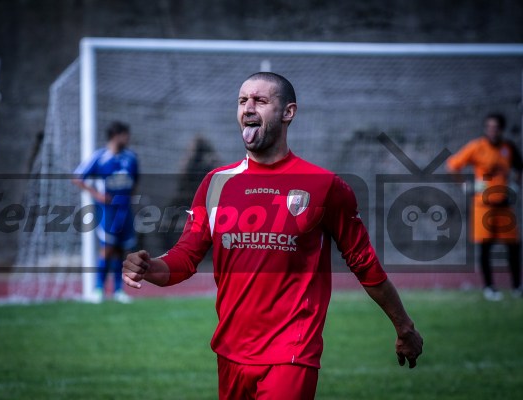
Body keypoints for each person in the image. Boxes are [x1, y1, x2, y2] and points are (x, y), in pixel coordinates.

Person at [123, 72, 423, 399]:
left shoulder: (325, 186)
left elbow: (364, 264)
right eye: (242, 101)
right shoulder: (215, 183)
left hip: (292, 353)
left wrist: (403, 325)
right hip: (230, 352)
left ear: (288, 112)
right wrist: (150, 267)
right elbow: (186, 257)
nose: (248, 108)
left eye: (260, 101)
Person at [447, 113, 523, 301]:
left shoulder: (508, 148)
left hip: (504, 205)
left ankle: (517, 286)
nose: (492, 131)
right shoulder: (477, 147)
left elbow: (519, 168)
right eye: (489, 127)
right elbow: (453, 165)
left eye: (495, 127)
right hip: (483, 205)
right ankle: (489, 287)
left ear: (501, 129)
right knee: (485, 247)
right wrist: (465, 186)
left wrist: (515, 185)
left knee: (513, 246)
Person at [73, 121, 139, 304]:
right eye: (125, 135)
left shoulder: (131, 158)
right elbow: (77, 177)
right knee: (107, 248)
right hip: (107, 211)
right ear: (116, 136)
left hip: (124, 210)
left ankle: (118, 290)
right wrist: (97, 195)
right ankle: (98, 289)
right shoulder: (100, 157)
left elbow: (135, 180)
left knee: (120, 250)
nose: (128, 138)